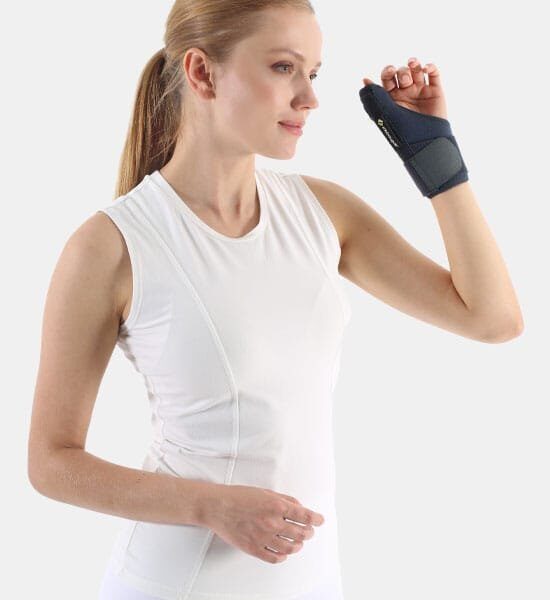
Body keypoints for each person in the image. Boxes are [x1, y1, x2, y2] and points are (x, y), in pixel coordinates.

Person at [27, 1, 524, 599]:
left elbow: (492, 319)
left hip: (310, 580)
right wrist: (211, 505)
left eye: (313, 73)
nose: (310, 99)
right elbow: (52, 462)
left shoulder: (323, 213)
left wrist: (435, 157)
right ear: (202, 73)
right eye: (284, 68)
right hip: (179, 582)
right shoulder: (112, 245)